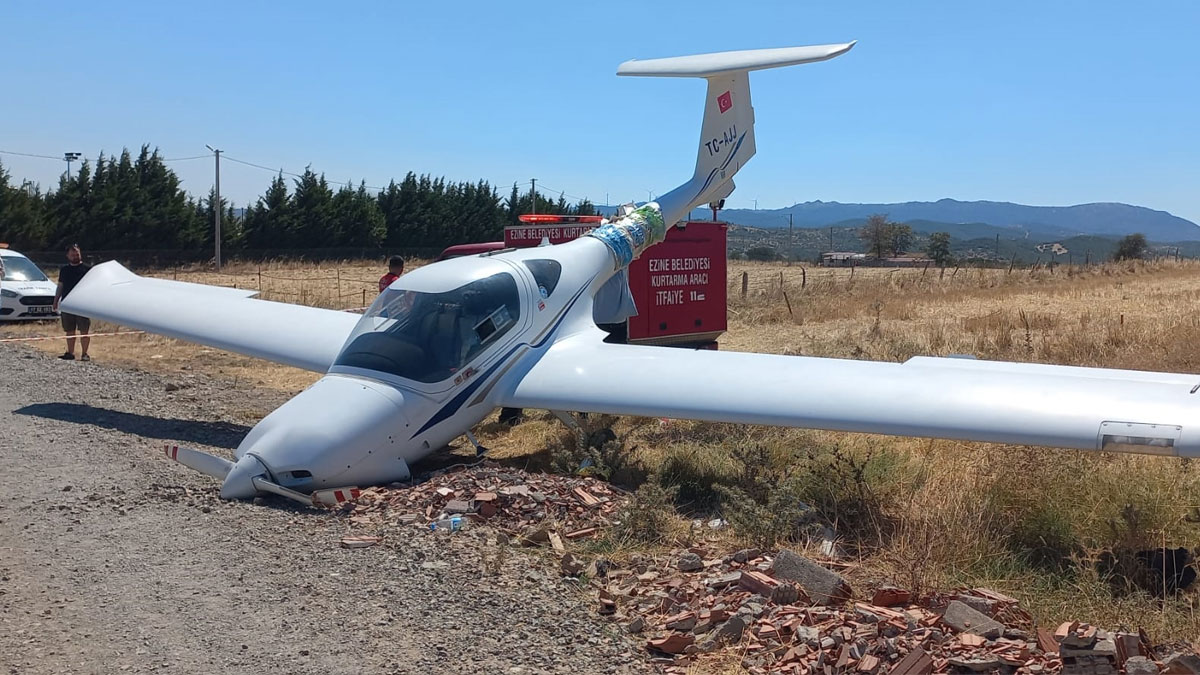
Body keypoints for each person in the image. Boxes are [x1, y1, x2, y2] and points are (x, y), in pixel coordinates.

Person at [52, 244, 92, 361]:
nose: (75, 256)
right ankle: (70, 353)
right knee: (69, 330)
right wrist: (56, 301)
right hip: (67, 304)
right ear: (68, 256)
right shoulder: (64, 270)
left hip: (83, 304)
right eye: (73, 254)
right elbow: (60, 286)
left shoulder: (88, 269)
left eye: (77, 254)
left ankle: (85, 354)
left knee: (84, 330)